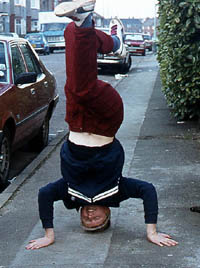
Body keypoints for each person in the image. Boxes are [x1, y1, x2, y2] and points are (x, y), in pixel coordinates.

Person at [26, 0, 178, 250]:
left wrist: (49, 234)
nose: (89, 217)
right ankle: (86, 23)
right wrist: (151, 230)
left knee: (73, 63)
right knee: (81, 88)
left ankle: (109, 40)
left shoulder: (69, 193)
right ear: (108, 213)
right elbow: (148, 190)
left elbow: (44, 194)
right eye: (97, 221)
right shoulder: (117, 191)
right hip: (107, 120)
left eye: (86, 221)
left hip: (76, 121)